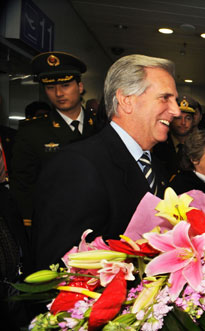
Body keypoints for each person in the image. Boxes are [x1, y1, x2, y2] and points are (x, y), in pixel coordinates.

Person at [31, 54, 180, 270]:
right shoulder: (77, 164)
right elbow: (59, 267)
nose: (176, 110)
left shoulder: (155, 166)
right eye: (165, 98)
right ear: (127, 100)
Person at [10, 52, 97, 227]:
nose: (58, 93)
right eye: (50, 88)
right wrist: (29, 224)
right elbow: (23, 184)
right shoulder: (32, 131)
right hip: (53, 222)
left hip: (97, 220)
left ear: (80, 86)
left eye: (65, 85)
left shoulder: (101, 126)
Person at [153, 95, 197, 179]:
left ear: (193, 121)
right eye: (179, 118)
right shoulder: (157, 145)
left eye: (188, 118)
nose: (183, 123)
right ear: (171, 119)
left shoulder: (198, 146)